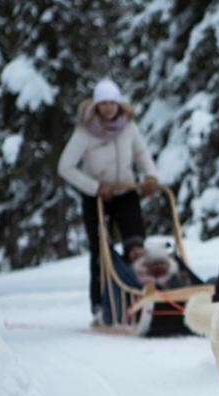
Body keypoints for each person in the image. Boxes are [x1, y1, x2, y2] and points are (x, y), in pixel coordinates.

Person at [57, 78, 160, 324]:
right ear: (96, 106)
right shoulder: (85, 131)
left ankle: (140, 298)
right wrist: (95, 188)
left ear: (119, 104)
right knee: (100, 251)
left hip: (125, 192)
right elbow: (65, 167)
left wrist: (151, 177)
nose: (108, 108)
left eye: (112, 103)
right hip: (98, 198)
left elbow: (141, 153)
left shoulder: (128, 127)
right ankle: (100, 306)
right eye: (103, 104)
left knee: (136, 247)